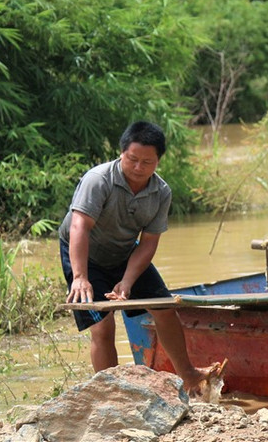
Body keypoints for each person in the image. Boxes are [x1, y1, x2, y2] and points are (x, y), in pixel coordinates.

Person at [59, 121, 218, 392]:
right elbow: (79, 227)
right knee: (103, 326)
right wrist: (81, 276)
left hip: (125, 251)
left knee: (165, 308)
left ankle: (189, 375)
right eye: (132, 159)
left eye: (147, 162)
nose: (138, 168)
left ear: (158, 162)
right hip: (87, 253)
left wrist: (128, 282)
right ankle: (111, 391)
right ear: (121, 153)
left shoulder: (161, 192)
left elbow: (148, 242)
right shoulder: (98, 180)